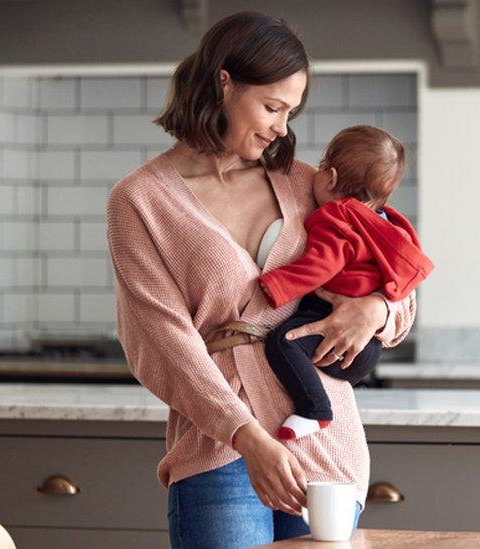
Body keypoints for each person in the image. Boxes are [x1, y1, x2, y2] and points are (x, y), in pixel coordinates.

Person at [106, 11, 416, 548]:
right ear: (224, 83)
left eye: (290, 112)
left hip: (326, 445)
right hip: (220, 447)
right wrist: (249, 439)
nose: (282, 127)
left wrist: (378, 312)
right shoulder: (141, 201)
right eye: (272, 107)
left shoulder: (305, 183)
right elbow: (164, 343)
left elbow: (396, 273)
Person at [257, 125, 433, 440]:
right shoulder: (387, 223)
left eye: (322, 167)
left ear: (332, 177)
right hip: (367, 349)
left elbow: (320, 266)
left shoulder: (337, 217)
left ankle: (315, 410)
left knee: (282, 342)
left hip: (329, 326)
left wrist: (275, 286)